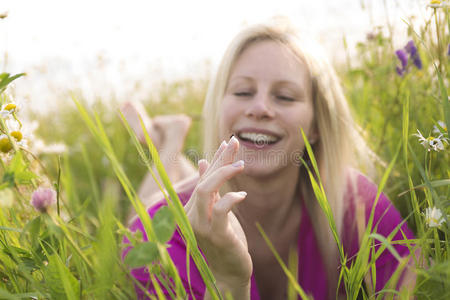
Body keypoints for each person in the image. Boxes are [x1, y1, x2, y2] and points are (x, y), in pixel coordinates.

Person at [123, 18, 415, 300]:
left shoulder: (355, 203)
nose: (260, 108)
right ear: (220, 109)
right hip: (168, 214)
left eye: (285, 97)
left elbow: (419, 287)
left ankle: (168, 140)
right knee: (165, 190)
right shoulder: (156, 235)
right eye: (243, 91)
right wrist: (228, 282)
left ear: (316, 125)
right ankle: (168, 144)